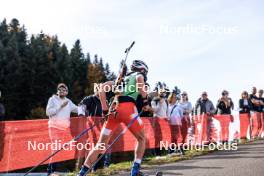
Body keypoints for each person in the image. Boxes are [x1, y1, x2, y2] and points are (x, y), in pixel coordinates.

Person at [78, 60, 149, 176]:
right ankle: (135, 170)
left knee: (100, 145)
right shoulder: (138, 75)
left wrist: (105, 109)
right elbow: (140, 82)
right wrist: (146, 102)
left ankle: (82, 173)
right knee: (141, 139)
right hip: (128, 109)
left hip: (113, 111)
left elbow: (101, 89)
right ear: (142, 69)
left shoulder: (118, 80)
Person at [46, 83, 78, 175]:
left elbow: (77, 109)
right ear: (57, 91)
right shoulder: (52, 99)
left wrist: (86, 108)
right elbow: (48, 112)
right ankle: (50, 171)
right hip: (54, 127)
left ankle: (52, 170)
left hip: (63, 129)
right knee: (55, 148)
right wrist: (60, 106)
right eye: (60, 89)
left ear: (67, 92)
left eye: (64, 90)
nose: (62, 91)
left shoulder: (68, 101)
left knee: (58, 150)